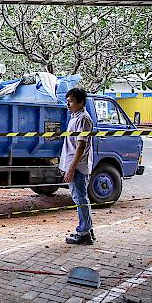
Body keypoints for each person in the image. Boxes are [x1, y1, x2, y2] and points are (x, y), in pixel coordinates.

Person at [60, 88, 95, 245]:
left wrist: (72, 168)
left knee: (80, 198)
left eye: (71, 101)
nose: (68, 104)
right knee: (79, 198)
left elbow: (81, 146)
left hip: (78, 167)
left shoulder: (83, 119)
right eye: (67, 101)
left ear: (81, 102)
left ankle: (84, 232)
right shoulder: (75, 118)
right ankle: (87, 228)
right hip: (74, 165)